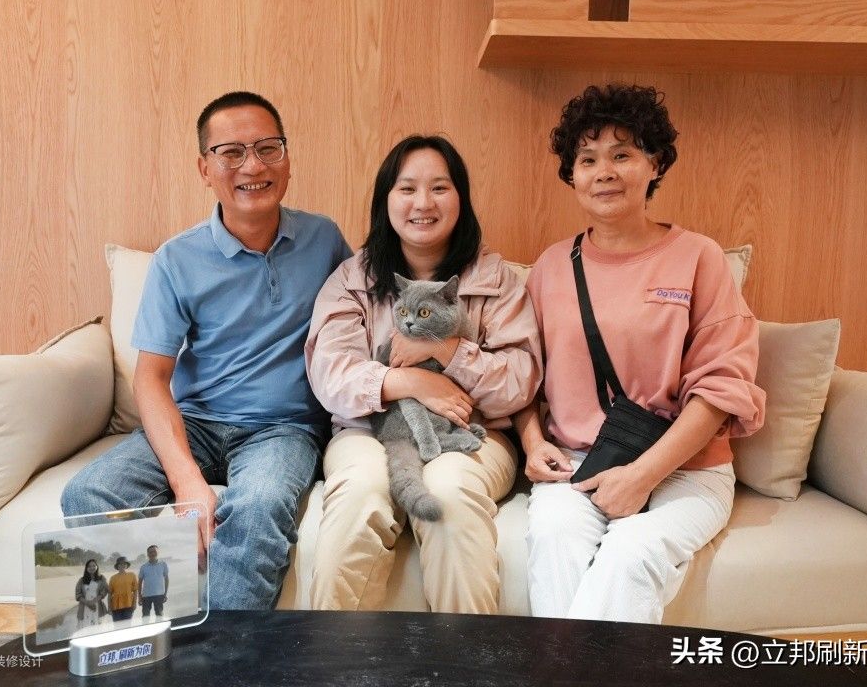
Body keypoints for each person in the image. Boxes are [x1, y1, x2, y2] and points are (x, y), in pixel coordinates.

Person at [61, 91, 354, 610]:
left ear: (287, 158)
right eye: (231, 152)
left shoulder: (323, 239)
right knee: (87, 495)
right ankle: (137, 640)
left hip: (282, 428)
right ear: (204, 168)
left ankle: (219, 653)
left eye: (267, 148)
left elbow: (363, 314)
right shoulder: (176, 259)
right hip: (195, 423)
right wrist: (188, 483)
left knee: (259, 506)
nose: (253, 166)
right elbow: (151, 378)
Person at [513, 83, 766, 623]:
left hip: (686, 470)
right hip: (578, 462)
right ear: (572, 175)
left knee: (631, 555)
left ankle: (559, 667)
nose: (603, 171)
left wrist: (643, 475)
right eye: (587, 159)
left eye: (622, 154)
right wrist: (534, 445)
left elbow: (721, 388)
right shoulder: (551, 267)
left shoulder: (699, 257)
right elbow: (520, 378)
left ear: (655, 164)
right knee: (554, 538)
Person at [305, 135, 543, 613]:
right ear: (385, 200)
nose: (423, 203)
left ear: (461, 199)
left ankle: (463, 655)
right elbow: (331, 374)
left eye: (439, 188)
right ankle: (334, 655)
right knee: (359, 495)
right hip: (368, 432)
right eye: (407, 188)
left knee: (449, 493)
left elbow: (520, 383)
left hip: (472, 432)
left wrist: (448, 350)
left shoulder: (496, 281)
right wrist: (413, 381)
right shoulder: (353, 279)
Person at [138, 545, 169, 619]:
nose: (152, 553)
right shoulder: (143, 567)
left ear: (158, 552)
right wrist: (139, 597)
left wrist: (165, 593)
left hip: (159, 595)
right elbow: (139, 583)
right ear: (147, 554)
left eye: (154, 551)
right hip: (146, 596)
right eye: (150, 552)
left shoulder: (163, 564)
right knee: (145, 617)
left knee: (159, 616)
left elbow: (166, 579)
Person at [75, 559, 108, 626]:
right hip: (84, 607)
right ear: (86, 568)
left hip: (98, 606)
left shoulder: (101, 578)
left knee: (99, 628)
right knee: (85, 628)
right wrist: (88, 603)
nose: (92, 568)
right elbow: (78, 595)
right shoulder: (82, 580)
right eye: (89, 566)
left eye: (94, 565)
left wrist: (93, 601)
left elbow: (104, 591)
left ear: (97, 567)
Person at [108, 556, 138, 622]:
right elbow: (109, 593)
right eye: (120, 564)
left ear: (127, 565)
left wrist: (134, 603)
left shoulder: (132, 575)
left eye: (124, 563)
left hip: (128, 605)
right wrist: (109, 607)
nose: (123, 565)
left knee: (127, 625)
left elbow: (135, 590)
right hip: (116, 606)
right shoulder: (113, 578)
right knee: (117, 626)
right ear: (117, 566)